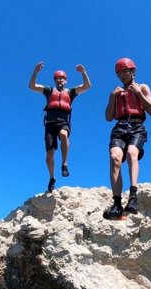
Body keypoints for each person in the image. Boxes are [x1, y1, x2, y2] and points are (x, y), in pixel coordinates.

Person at [103, 58, 151, 219]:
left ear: (132, 71)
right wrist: (112, 97)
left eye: (125, 71)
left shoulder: (142, 87)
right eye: (119, 73)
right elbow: (108, 117)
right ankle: (117, 203)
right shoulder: (116, 92)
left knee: (132, 153)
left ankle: (133, 196)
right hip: (119, 127)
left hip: (137, 126)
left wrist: (138, 93)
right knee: (114, 157)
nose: (122, 75)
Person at [29, 61, 91, 192]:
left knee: (63, 135)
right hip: (50, 124)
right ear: (54, 81)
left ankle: (64, 164)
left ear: (66, 80)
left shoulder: (71, 92)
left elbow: (87, 86)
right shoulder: (49, 91)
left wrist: (83, 72)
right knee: (49, 154)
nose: (59, 80)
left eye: (61, 78)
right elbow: (32, 86)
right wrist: (35, 72)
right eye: (57, 79)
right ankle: (52, 178)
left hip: (63, 121)